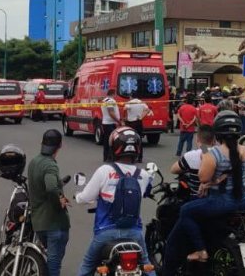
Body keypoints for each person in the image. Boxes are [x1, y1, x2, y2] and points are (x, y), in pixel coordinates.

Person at [162, 111, 245, 274]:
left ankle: (200, 250)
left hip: (221, 201)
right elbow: (236, 170)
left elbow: (203, 178)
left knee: (185, 211)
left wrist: (209, 182)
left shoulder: (212, 155)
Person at [75, 128, 156, 276]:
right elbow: (146, 192)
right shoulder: (143, 175)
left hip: (105, 232)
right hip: (134, 233)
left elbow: (85, 197)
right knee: (147, 266)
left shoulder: (104, 171)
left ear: (114, 147)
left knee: (87, 266)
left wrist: (78, 197)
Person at [28, 129, 71, 276]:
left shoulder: (34, 162)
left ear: (42, 143)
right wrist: (59, 201)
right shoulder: (50, 165)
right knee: (54, 263)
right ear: (60, 146)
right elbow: (51, 187)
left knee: (50, 259)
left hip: (39, 223)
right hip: (54, 224)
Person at [171, 125, 216, 190]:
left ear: (197, 139)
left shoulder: (191, 155)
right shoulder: (220, 153)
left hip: (195, 196)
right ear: (214, 140)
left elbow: (173, 170)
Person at [124, 98, 152, 162]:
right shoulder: (141, 102)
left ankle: (132, 157)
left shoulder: (129, 102)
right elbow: (147, 110)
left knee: (131, 140)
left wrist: (125, 116)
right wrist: (141, 116)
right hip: (139, 122)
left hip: (131, 123)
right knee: (139, 140)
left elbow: (125, 109)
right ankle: (140, 158)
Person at [101, 89, 121, 161]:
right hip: (110, 123)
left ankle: (106, 157)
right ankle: (110, 157)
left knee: (107, 140)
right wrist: (118, 121)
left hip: (106, 123)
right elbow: (111, 112)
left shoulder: (105, 100)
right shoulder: (110, 101)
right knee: (112, 141)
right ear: (113, 93)